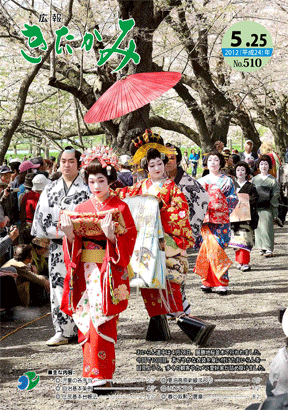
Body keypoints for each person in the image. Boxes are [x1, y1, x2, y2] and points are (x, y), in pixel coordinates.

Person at [60, 158, 137, 391]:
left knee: (102, 321)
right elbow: (72, 244)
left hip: (107, 271)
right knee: (86, 319)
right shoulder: (82, 208)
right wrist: (69, 234)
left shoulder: (121, 207)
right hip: (84, 272)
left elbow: (129, 239)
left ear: (110, 180)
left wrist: (111, 236)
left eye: (101, 180)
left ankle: (103, 374)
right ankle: (94, 373)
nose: (96, 186)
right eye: (91, 181)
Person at [118, 131, 195, 322]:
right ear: (146, 168)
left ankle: (179, 313)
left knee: (171, 277)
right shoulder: (139, 186)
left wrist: (158, 211)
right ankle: (156, 317)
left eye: (160, 163)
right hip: (144, 239)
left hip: (165, 239)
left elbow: (180, 211)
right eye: (152, 165)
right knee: (146, 278)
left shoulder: (172, 188)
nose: (157, 167)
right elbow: (122, 198)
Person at [31, 146, 91, 346]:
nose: (66, 165)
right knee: (58, 286)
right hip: (58, 245)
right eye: (63, 161)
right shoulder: (50, 187)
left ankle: (84, 328)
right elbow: (41, 216)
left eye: (71, 161)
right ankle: (63, 330)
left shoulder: (87, 187)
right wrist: (56, 232)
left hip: (83, 244)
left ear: (79, 163)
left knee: (83, 285)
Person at [165, 143, 209, 316]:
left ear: (178, 160)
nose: (168, 162)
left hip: (179, 234)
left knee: (177, 272)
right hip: (160, 234)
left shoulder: (188, 182)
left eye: (172, 158)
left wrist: (189, 228)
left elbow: (202, 200)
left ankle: (181, 307)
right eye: (164, 158)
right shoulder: (158, 180)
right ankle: (170, 308)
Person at [195, 150, 238, 295]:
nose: (213, 163)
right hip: (206, 220)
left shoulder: (227, 181)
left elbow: (233, 198)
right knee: (207, 248)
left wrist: (221, 204)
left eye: (216, 160)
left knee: (218, 247)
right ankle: (207, 281)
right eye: (210, 160)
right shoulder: (200, 181)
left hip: (220, 220)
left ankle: (221, 282)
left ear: (221, 163)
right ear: (206, 163)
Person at [229, 161, 259, 272]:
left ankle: (245, 262)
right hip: (233, 217)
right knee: (236, 240)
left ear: (246, 172)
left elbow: (255, 199)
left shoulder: (250, 186)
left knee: (244, 239)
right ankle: (239, 261)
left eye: (243, 170)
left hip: (246, 218)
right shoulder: (231, 185)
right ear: (235, 172)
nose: (240, 172)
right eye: (238, 170)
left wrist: (245, 202)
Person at [252, 155, 280, 258]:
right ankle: (261, 247)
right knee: (258, 227)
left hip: (268, 206)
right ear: (258, 166)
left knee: (267, 227)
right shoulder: (254, 179)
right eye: (261, 164)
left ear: (269, 166)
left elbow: (276, 193)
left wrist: (269, 199)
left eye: (266, 164)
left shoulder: (273, 180)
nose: (264, 166)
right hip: (257, 206)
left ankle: (268, 247)